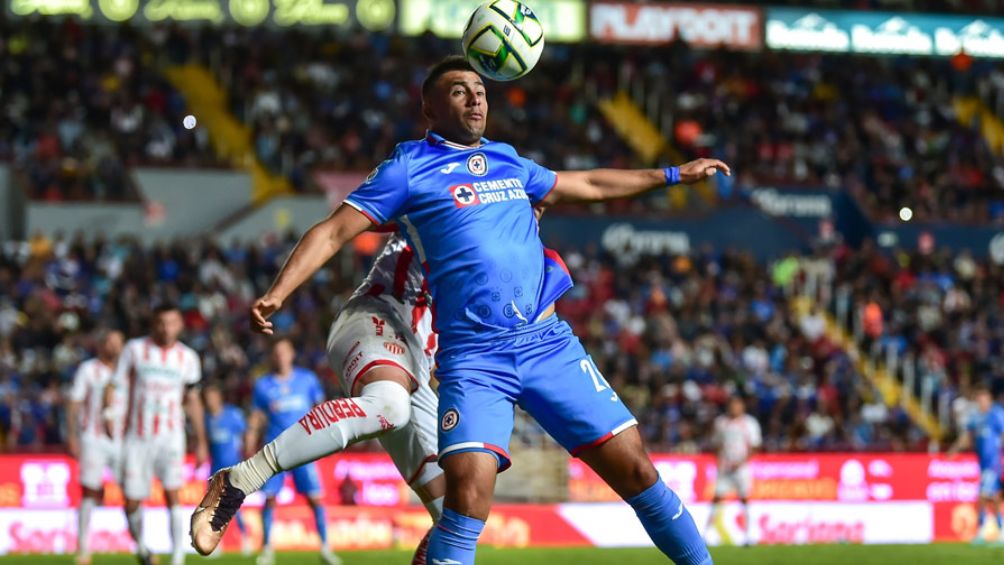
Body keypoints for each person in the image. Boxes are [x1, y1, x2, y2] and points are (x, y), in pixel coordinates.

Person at [192, 55, 729, 565]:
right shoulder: (409, 170)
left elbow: (582, 183)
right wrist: (278, 291)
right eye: (459, 91)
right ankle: (242, 477)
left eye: (480, 91)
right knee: (441, 468)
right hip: (428, 338)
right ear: (430, 108)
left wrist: (673, 175)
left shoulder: (510, 162)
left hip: (533, 344)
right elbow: (335, 229)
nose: (475, 100)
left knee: (626, 471)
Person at [116, 304, 208, 565]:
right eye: (161, 323)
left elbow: (193, 399)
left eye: (172, 323)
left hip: (171, 435)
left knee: (173, 493)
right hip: (137, 436)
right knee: (131, 500)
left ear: (180, 325)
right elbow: (118, 386)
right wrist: (113, 420)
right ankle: (143, 548)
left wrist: (201, 441)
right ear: (153, 324)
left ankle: (178, 557)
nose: (166, 328)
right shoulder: (135, 350)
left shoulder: (188, 358)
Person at [244, 338, 339, 565]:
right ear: (272, 356)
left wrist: (326, 441)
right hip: (274, 450)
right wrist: (249, 445)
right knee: (269, 499)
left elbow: (320, 411)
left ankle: (326, 547)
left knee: (315, 498)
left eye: (284, 352)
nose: (280, 357)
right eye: (276, 353)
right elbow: (256, 419)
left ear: (291, 354)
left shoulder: (307, 380)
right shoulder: (263, 385)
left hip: (304, 449)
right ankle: (267, 550)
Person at [67, 330, 125, 565]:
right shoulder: (88, 370)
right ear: (101, 345)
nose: (114, 347)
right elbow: (74, 403)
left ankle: (141, 544)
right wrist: (72, 435)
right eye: (110, 342)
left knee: (133, 491)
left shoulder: (127, 373)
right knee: (89, 491)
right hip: (93, 438)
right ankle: (83, 548)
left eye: (118, 343)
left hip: (122, 440)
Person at [949, 386, 1004, 545]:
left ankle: (981, 529)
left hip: (994, 463)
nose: (982, 402)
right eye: (979, 399)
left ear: (990, 400)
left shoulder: (996, 414)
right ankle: (1000, 529)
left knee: (982, 496)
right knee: (992, 497)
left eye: (984, 399)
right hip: (982, 464)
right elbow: (966, 438)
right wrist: (954, 451)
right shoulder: (975, 418)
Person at [203, 382, 253, 556]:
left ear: (219, 398)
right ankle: (215, 543)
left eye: (212, 397)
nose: (209, 401)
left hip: (232, 467)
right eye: (207, 398)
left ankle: (245, 537)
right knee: (212, 507)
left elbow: (246, 431)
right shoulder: (207, 418)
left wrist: (247, 451)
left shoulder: (232, 414)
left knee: (231, 506)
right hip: (214, 468)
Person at [706, 396, 761, 546]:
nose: (734, 408)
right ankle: (708, 534)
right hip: (725, 467)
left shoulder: (749, 423)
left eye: (737, 405)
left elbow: (754, 446)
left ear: (742, 407)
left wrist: (741, 462)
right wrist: (719, 461)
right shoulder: (721, 422)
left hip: (741, 468)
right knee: (717, 497)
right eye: (732, 405)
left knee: (745, 498)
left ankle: (750, 535)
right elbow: (717, 443)